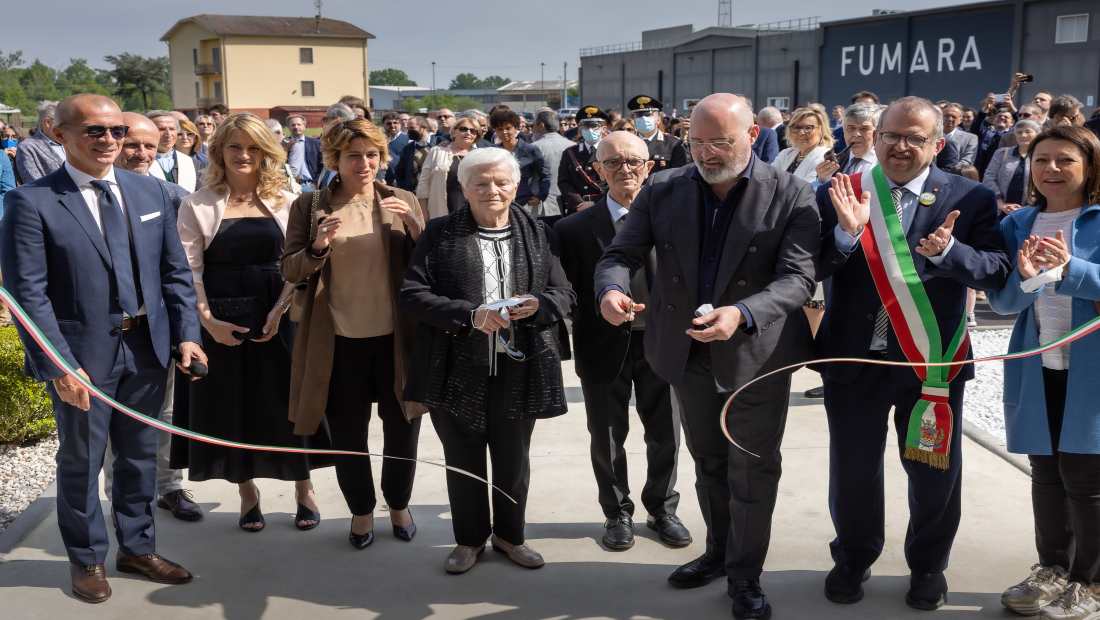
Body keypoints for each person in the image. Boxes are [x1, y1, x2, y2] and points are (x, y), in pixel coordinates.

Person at [594, 93, 819, 620]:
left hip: (756, 357)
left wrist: (742, 312)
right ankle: (719, 553)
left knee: (752, 471)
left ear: (753, 136)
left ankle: (746, 576)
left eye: (720, 142)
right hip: (687, 352)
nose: (706, 153)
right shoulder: (664, 188)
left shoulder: (791, 192)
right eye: (696, 142)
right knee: (709, 462)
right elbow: (620, 253)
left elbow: (798, 277)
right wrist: (611, 289)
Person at [0, 93, 207, 603]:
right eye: (95, 130)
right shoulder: (32, 202)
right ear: (60, 135)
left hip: (148, 349)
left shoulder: (150, 192)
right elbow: (28, 294)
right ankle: (87, 558)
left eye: (117, 131)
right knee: (82, 461)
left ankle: (137, 548)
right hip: (82, 359)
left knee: (138, 457)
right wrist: (59, 366)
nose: (110, 141)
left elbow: (174, 274)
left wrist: (187, 334)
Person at [815, 96, 1010, 611]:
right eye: (891, 135)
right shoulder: (841, 190)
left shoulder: (970, 196)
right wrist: (845, 234)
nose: (900, 146)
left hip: (931, 361)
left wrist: (949, 253)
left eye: (915, 138)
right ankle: (853, 557)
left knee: (934, 474)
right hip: (855, 359)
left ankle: (928, 566)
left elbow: (995, 270)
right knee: (853, 469)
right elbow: (808, 264)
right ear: (874, 138)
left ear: (938, 144)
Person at [401, 147, 574, 574]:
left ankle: (511, 536)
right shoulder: (439, 233)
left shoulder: (538, 232)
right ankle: (469, 540)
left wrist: (539, 304)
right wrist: (470, 315)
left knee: (514, 460)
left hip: (521, 366)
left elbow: (564, 294)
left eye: (501, 182)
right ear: (464, 188)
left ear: (516, 185)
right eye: (480, 183)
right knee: (463, 459)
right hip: (455, 366)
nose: (492, 190)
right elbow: (413, 295)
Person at [173, 113, 323, 533]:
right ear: (219, 151)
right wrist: (208, 321)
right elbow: (189, 270)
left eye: (253, 147)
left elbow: (299, 263)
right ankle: (247, 492)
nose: (243, 155)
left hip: (280, 316)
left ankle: (304, 488)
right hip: (221, 320)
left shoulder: (289, 199)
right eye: (235, 146)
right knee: (232, 407)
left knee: (287, 405)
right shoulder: (197, 204)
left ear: (266, 152)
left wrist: (279, 310)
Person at [282, 118, 425, 549]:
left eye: (371, 155)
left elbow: (430, 267)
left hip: (396, 338)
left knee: (403, 427)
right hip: (338, 340)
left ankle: (398, 504)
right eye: (352, 156)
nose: (364, 164)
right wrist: (318, 247)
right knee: (348, 434)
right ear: (334, 159)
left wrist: (417, 229)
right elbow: (290, 269)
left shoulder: (401, 200)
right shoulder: (309, 206)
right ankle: (361, 511)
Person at [554, 131, 690, 552]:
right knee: (607, 435)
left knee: (665, 433)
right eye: (612, 162)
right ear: (598, 170)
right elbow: (565, 288)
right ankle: (616, 512)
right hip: (601, 344)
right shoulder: (572, 228)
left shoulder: (675, 220)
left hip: (662, 342)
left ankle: (662, 508)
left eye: (633, 161)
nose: (624, 170)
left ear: (649, 167)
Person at [989, 125, 1100, 620]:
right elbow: (1004, 301)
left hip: (1090, 371)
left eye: (1065, 160)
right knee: (1047, 474)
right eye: (1041, 160)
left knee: (1086, 478)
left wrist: (1072, 268)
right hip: (1038, 367)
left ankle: (1089, 581)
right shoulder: (1018, 224)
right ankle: (1052, 568)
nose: (1051, 169)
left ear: (1090, 167)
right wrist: (1027, 279)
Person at [102, 112, 199, 522]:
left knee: (165, 413)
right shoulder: (89, 199)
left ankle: (170, 487)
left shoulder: (172, 196)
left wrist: (188, 329)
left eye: (149, 145)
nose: (140, 153)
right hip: (106, 332)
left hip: (157, 329)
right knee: (111, 420)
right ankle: (121, 497)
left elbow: (182, 270)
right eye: (131, 144)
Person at [416, 112, 482, 220]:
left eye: (473, 131)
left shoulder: (480, 156)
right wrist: (423, 213)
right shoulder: (437, 152)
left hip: (472, 213)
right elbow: (423, 185)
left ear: (476, 136)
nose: (468, 133)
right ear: (454, 132)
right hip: (440, 211)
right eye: (463, 129)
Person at [489, 109, 550, 211]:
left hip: (525, 203)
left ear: (516, 128)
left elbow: (545, 175)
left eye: (508, 128)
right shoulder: (493, 151)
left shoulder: (530, 150)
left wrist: (540, 196)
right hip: (500, 201)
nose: (504, 132)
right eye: (500, 129)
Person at [984, 119, 1041, 217]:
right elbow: (989, 177)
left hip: (1031, 211)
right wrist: (1001, 204)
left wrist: (1030, 205)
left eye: (1028, 131)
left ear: (1037, 134)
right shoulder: (1002, 153)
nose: (1023, 135)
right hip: (1001, 211)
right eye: (1019, 132)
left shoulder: (1042, 156)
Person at [557, 105, 608, 215]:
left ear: (603, 129)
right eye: (585, 126)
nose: (590, 130)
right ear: (580, 129)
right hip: (578, 209)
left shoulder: (610, 151)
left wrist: (595, 202)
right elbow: (564, 182)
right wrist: (578, 203)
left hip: (604, 206)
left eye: (594, 126)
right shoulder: (570, 153)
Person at [530, 110, 575, 217]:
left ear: (541, 125)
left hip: (542, 206)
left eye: (534, 124)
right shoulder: (573, 146)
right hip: (570, 203)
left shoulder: (534, 147)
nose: (533, 128)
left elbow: (528, 177)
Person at [772, 106, 833, 183]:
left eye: (808, 128)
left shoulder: (825, 158)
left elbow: (807, 187)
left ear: (821, 130)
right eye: (796, 128)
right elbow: (769, 178)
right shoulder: (786, 153)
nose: (801, 133)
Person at [628, 95, 688, 171]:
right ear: (634, 119)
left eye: (648, 114)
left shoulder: (673, 144)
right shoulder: (627, 143)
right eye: (639, 115)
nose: (643, 118)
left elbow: (678, 173)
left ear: (658, 119)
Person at [15, 100, 65, 184]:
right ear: (47, 123)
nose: (69, 127)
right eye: (64, 123)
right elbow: (34, 183)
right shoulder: (28, 147)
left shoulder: (71, 142)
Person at [147, 111, 198, 193]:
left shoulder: (192, 163)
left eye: (172, 129)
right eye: (161, 129)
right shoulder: (138, 162)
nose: (168, 134)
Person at [393, 116, 440, 193]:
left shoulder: (439, 143)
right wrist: (405, 188)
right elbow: (400, 172)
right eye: (408, 128)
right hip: (413, 193)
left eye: (412, 128)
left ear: (423, 128)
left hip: (434, 191)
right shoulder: (408, 148)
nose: (409, 131)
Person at [285, 114, 323, 192]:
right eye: (293, 125)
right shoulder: (284, 143)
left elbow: (322, 164)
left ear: (304, 126)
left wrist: (317, 181)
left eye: (299, 124)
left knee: (315, 200)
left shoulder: (315, 143)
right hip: (290, 186)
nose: (296, 127)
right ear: (288, 127)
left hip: (310, 186)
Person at [942, 103, 978, 170]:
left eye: (954, 117)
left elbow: (967, 161)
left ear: (960, 120)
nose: (950, 119)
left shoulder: (971, 138)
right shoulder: (931, 134)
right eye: (946, 116)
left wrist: (949, 171)